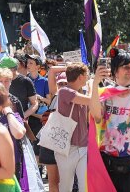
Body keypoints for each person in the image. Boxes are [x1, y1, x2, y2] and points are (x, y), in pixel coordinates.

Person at [90, 49, 130, 192]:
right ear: (115, 70)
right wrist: (95, 84)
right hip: (107, 161)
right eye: (126, 67)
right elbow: (96, 116)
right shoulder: (105, 94)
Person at [51, 63, 91, 192]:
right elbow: (91, 100)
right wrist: (94, 86)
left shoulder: (82, 93)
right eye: (86, 75)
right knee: (66, 186)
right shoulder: (64, 91)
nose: (88, 78)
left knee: (85, 186)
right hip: (67, 149)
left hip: (83, 146)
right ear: (80, 77)